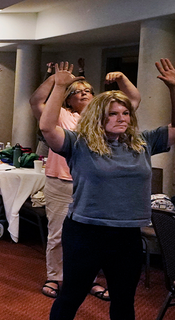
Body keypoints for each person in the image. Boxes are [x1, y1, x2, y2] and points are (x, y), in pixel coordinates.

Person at [43, 60, 175, 319]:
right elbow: (47, 127)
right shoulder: (79, 143)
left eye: (125, 113)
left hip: (126, 234)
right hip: (86, 232)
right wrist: (59, 86)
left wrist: (174, 88)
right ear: (99, 117)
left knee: (124, 301)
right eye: (113, 114)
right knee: (72, 296)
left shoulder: (142, 142)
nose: (121, 119)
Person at [30, 65, 141, 300]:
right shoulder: (62, 115)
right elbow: (35, 102)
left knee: (92, 236)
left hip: (94, 185)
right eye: (78, 90)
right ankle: (55, 276)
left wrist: (121, 77)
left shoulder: (104, 118)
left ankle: (87, 279)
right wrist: (55, 81)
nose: (84, 93)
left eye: (88, 90)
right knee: (58, 233)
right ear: (68, 100)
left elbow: (132, 99)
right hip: (62, 181)